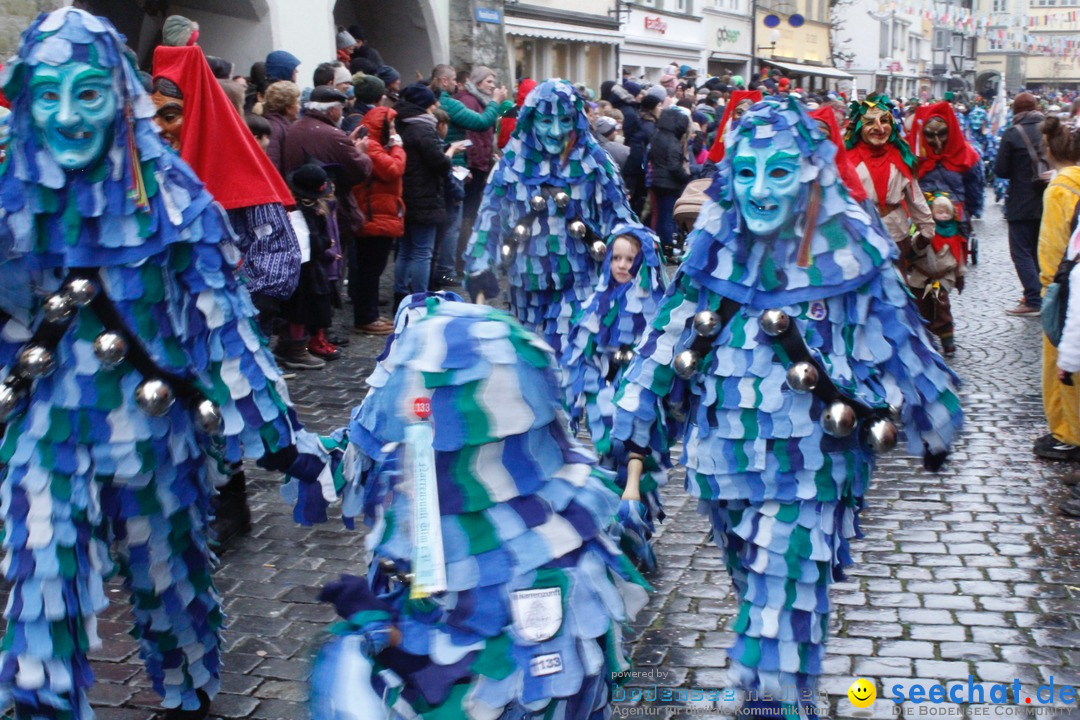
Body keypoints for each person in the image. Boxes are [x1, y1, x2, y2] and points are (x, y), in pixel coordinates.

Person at [0, 9, 331, 720]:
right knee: (41, 587)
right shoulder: (11, 197)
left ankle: (187, 691)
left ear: (118, 98)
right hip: (47, 436)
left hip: (156, 434)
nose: (66, 116)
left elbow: (226, 327)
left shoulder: (173, 201)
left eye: (86, 94)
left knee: (168, 587)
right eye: (47, 94)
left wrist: (279, 434)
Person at [611, 97, 961, 719]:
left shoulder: (852, 250)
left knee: (782, 592)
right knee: (759, 589)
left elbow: (901, 334)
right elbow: (668, 335)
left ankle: (773, 708)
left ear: (807, 172)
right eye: (746, 173)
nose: (760, 190)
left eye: (778, 172)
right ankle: (789, 695)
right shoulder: (713, 249)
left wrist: (933, 415)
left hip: (815, 460)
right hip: (721, 457)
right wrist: (634, 414)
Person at [305, 294, 648, 720]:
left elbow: (519, 680)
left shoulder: (556, 541)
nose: (420, 411)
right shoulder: (414, 486)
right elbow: (432, 607)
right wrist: (389, 623)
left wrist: (399, 656)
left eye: (437, 396)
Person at [463, 79, 645, 357]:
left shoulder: (595, 163)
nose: (556, 130)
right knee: (532, 361)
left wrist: (635, 249)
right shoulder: (510, 165)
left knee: (570, 356)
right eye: (547, 120)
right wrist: (480, 264)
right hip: (525, 288)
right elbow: (490, 220)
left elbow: (619, 216)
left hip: (580, 282)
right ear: (532, 119)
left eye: (565, 120)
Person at [561, 226, 669, 568]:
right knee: (609, 453)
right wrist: (583, 388)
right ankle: (617, 519)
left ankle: (639, 517)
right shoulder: (597, 300)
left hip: (638, 390)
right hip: (603, 390)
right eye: (616, 258)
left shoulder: (655, 307)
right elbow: (582, 349)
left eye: (630, 259)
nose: (621, 266)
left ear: (643, 264)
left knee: (638, 449)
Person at [908, 101, 984, 355]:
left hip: (952, 229)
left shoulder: (966, 156)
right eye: (930, 135)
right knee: (918, 280)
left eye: (942, 134)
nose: (937, 141)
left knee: (942, 280)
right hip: (920, 227)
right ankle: (926, 329)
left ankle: (945, 329)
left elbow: (974, 193)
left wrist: (966, 220)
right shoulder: (914, 156)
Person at [845, 94, 935, 274]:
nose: (879, 128)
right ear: (860, 127)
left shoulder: (901, 158)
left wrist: (926, 230)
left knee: (897, 288)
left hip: (895, 233)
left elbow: (914, 196)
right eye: (870, 122)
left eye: (884, 121)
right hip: (858, 236)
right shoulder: (847, 160)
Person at [1035, 116, 1080, 464]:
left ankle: (1067, 434)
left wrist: (1049, 287)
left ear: (1048, 149)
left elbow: (1053, 245)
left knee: (1061, 365)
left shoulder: (1060, 188)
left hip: (1067, 286)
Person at [394, 83, 457, 306]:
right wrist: (449, 153)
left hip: (404, 194)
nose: (435, 109)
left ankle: (400, 295)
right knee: (422, 252)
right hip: (424, 196)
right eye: (432, 106)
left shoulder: (399, 124)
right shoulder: (423, 128)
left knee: (404, 250)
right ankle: (419, 300)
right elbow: (438, 163)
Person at [350, 104, 405, 335]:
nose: (393, 130)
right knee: (370, 270)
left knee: (372, 268)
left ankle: (370, 314)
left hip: (379, 213)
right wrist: (398, 147)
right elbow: (393, 169)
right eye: (390, 125)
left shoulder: (373, 145)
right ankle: (366, 317)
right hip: (375, 215)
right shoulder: (372, 147)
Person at [995, 92, 1049, 316]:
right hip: (1048, 199)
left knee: (1021, 253)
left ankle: (1033, 299)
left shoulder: (1012, 132)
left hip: (1021, 201)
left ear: (1016, 110)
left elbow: (1001, 170)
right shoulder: (1048, 130)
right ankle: (1044, 295)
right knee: (1040, 251)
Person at [281, 164, 341, 363]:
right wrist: (326, 242)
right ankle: (295, 349)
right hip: (305, 268)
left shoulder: (301, 209)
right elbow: (311, 242)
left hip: (304, 266)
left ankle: (289, 345)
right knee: (300, 310)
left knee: (300, 309)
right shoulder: (305, 212)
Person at [648, 107, 692, 259]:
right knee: (668, 216)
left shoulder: (657, 136)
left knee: (661, 215)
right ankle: (668, 246)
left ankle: (662, 244)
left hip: (657, 181)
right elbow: (674, 166)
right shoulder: (673, 141)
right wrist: (685, 176)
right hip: (670, 184)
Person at [262, 80, 300, 173]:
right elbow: (271, 164)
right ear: (288, 108)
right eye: (297, 103)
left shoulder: (277, 125)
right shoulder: (275, 129)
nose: (300, 107)